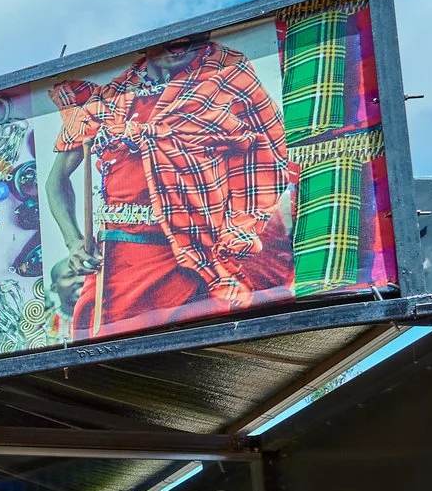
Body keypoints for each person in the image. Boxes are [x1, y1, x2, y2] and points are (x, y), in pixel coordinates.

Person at [44, 39, 293, 339]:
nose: (178, 49)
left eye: (189, 40)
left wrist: (239, 229)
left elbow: (269, 157)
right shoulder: (110, 99)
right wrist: (73, 243)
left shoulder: (229, 78)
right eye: (168, 43)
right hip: (114, 262)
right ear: (142, 46)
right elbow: (56, 181)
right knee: (95, 356)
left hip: (189, 258)